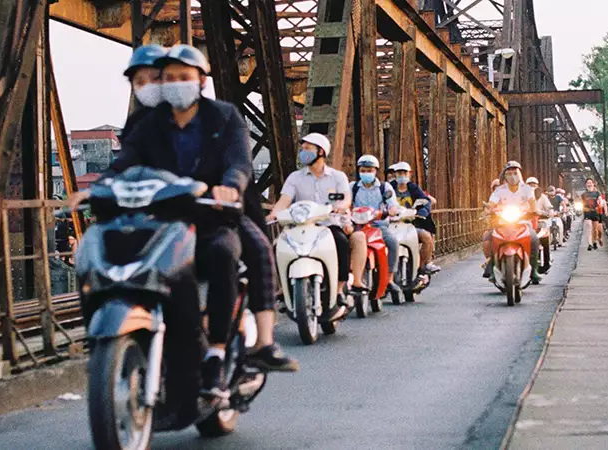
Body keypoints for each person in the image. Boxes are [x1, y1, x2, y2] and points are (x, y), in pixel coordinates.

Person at [70, 44, 296, 400]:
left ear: (201, 80)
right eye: (169, 78)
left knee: (225, 253)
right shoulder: (151, 122)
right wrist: (99, 186)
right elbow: (127, 160)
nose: (175, 84)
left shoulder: (224, 116)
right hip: (166, 218)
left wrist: (230, 186)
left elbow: (239, 161)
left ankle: (216, 352)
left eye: (184, 77)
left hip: (211, 215)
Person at [267, 133, 358, 316]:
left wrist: (340, 206)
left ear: (321, 151)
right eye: (303, 148)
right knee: (278, 245)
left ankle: (339, 289)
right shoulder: (295, 177)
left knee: (340, 241)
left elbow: (346, 198)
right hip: (301, 226)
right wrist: (273, 214)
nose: (303, 152)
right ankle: (283, 289)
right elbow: (284, 200)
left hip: (328, 224)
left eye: (308, 148)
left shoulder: (337, 177)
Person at [482, 161, 540, 284]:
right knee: (490, 238)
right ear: (505, 176)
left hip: (523, 221)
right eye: (509, 173)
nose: (513, 176)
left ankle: (534, 270)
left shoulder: (527, 189)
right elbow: (491, 203)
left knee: (534, 238)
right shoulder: (499, 190)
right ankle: (492, 269)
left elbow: (532, 202)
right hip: (503, 222)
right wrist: (487, 210)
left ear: (520, 174)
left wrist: (535, 210)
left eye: (515, 173)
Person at [350, 155, 402, 293]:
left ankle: (389, 279)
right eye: (363, 170)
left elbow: (393, 204)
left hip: (378, 225)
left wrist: (392, 210)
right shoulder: (353, 187)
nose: (366, 173)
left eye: (369, 170)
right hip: (358, 226)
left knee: (392, 242)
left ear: (375, 171)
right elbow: (344, 203)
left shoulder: (384, 187)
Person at [389, 161, 440, 276]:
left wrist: (422, 212)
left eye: (404, 173)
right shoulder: (389, 188)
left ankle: (425, 264)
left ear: (409, 174)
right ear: (395, 174)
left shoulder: (413, 188)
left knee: (427, 237)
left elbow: (426, 201)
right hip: (391, 223)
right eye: (399, 173)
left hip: (409, 224)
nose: (402, 175)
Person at [527, 177, 553, 273]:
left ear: (537, 186)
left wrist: (550, 212)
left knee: (544, 239)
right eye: (529, 184)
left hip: (539, 222)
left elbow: (549, 207)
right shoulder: (523, 196)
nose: (532, 186)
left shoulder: (542, 196)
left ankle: (546, 262)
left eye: (534, 184)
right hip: (526, 222)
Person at [581, 178, 604, 250]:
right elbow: (581, 202)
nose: (589, 184)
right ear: (586, 185)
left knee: (595, 229)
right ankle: (589, 244)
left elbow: (600, 199)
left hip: (595, 212)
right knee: (588, 226)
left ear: (593, 184)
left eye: (590, 182)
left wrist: (600, 203)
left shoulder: (597, 193)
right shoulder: (583, 194)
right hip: (587, 212)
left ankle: (594, 242)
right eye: (588, 183)